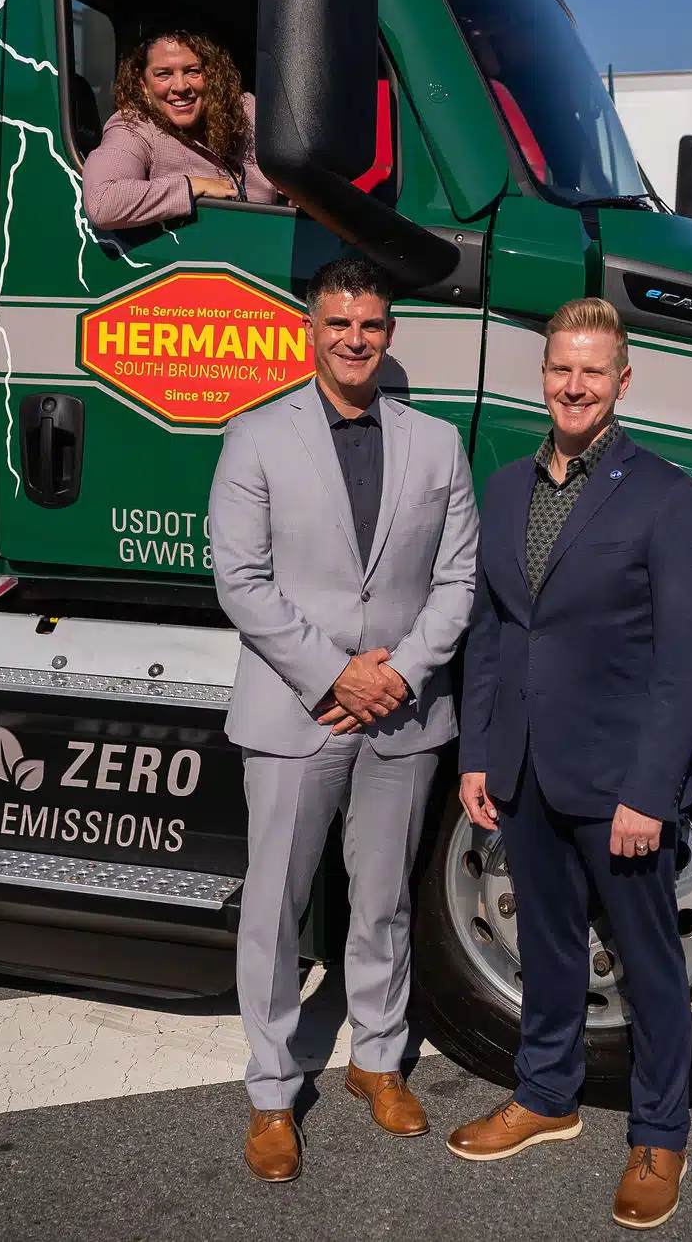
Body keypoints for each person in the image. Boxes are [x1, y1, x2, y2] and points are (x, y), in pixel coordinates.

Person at [447, 297, 692, 1232]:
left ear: (622, 382)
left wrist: (650, 789)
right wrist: (476, 752)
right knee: (549, 946)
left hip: (616, 783)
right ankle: (546, 1093)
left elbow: (685, 664)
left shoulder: (666, 497)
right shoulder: (509, 487)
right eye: (563, 367)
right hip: (521, 764)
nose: (574, 385)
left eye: (593, 372)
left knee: (648, 963)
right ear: (546, 373)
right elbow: (491, 631)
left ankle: (659, 1133)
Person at [210, 256, 479, 1183]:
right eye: (338, 324)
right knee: (276, 910)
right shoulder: (254, 436)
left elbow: (456, 581)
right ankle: (274, 1093)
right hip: (296, 710)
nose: (354, 339)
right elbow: (240, 582)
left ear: (389, 333)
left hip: (401, 714)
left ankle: (376, 1060)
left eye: (369, 324)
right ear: (310, 331)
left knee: (385, 900)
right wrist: (334, 673)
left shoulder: (438, 444)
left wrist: (395, 676)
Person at [81, 29, 278, 230]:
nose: (181, 86)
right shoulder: (134, 126)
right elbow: (102, 201)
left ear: (213, 75)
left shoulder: (244, 110)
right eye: (163, 74)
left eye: (193, 71)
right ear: (143, 85)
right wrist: (191, 186)